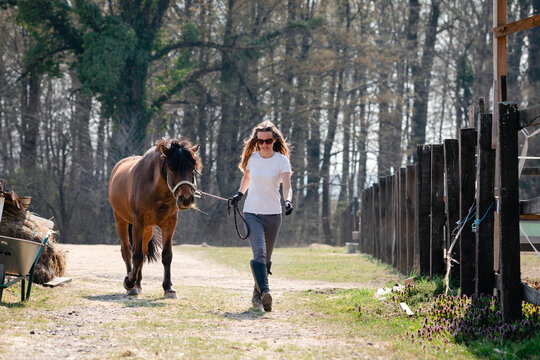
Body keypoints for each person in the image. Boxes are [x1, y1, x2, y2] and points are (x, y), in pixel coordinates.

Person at [229, 121, 293, 312]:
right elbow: (247, 178)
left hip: (273, 214)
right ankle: (265, 291)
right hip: (252, 213)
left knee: (266, 260)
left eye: (268, 141)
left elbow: (287, 185)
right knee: (259, 253)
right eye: (261, 141)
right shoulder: (252, 158)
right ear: (256, 142)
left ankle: (257, 296)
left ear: (274, 140)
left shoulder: (281, 160)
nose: (264, 144)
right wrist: (239, 194)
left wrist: (288, 201)